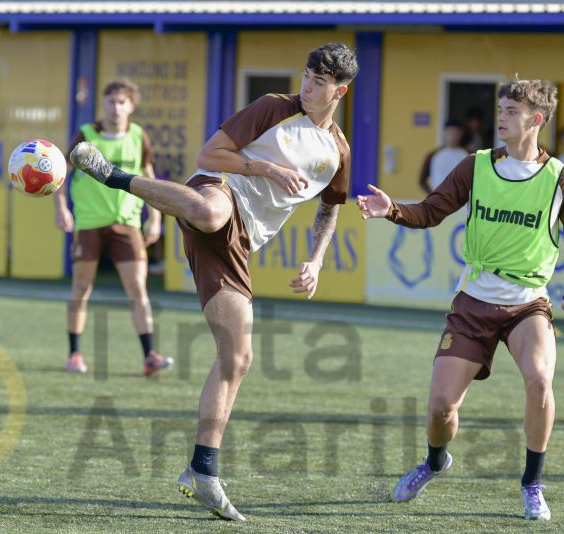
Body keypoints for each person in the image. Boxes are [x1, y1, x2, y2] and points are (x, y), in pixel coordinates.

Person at [70, 43, 357, 521]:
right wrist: (264, 166)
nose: (308, 86)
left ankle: (202, 471)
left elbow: (330, 207)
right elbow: (211, 152)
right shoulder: (272, 107)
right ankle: (113, 176)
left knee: (238, 358)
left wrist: (316, 260)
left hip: (238, 245)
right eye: (307, 75)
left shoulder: (338, 151)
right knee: (207, 211)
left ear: (340, 91)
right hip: (217, 190)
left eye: (320, 82)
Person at [357, 78, 564, 521]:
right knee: (441, 407)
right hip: (473, 303)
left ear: (536, 120)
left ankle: (532, 483)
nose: (500, 117)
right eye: (500, 108)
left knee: (540, 380)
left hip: (528, 304)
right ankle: (434, 460)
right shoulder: (476, 166)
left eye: (511, 111)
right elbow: (430, 211)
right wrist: (391, 209)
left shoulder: (563, 179)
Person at [54, 78, 172, 376]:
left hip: (127, 223)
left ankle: (150, 356)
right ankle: (74, 354)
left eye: (122, 102)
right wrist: (61, 207)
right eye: (110, 101)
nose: (115, 108)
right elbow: (61, 174)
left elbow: (149, 177)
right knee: (81, 287)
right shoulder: (86, 135)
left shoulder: (138, 136)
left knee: (137, 289)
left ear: (131, 106)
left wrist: (155, 217)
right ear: (102, 105)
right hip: (90, 222)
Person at [418, 118, 468, 194]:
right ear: (444, 132)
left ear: (461, 133)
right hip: (438, 202)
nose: (452, 135)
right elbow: (422, 181)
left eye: (455, 132)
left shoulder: (469, 155)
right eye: (450, 131)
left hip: (463, 202)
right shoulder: (433, 155)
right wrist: (432, 195)